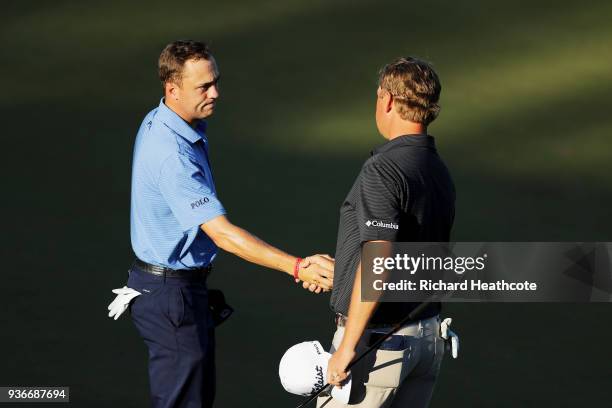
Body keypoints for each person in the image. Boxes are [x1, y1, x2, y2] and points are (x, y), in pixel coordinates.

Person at [114, 40, 334, 408]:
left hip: (169, 291)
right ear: (173, 89)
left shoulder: (166, 119)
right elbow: (223, 234)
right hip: (171, 299)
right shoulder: (172, 155)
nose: (215, 93)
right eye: (203, 87)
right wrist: (297, 267)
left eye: (215, 81)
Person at [320, 57, 456, 407]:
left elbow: (379, 257)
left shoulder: (383, 169)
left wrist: (346, 348)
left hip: (380, 346)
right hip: (427, 339)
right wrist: (345, 274)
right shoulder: (437, 168)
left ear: (389, 101)